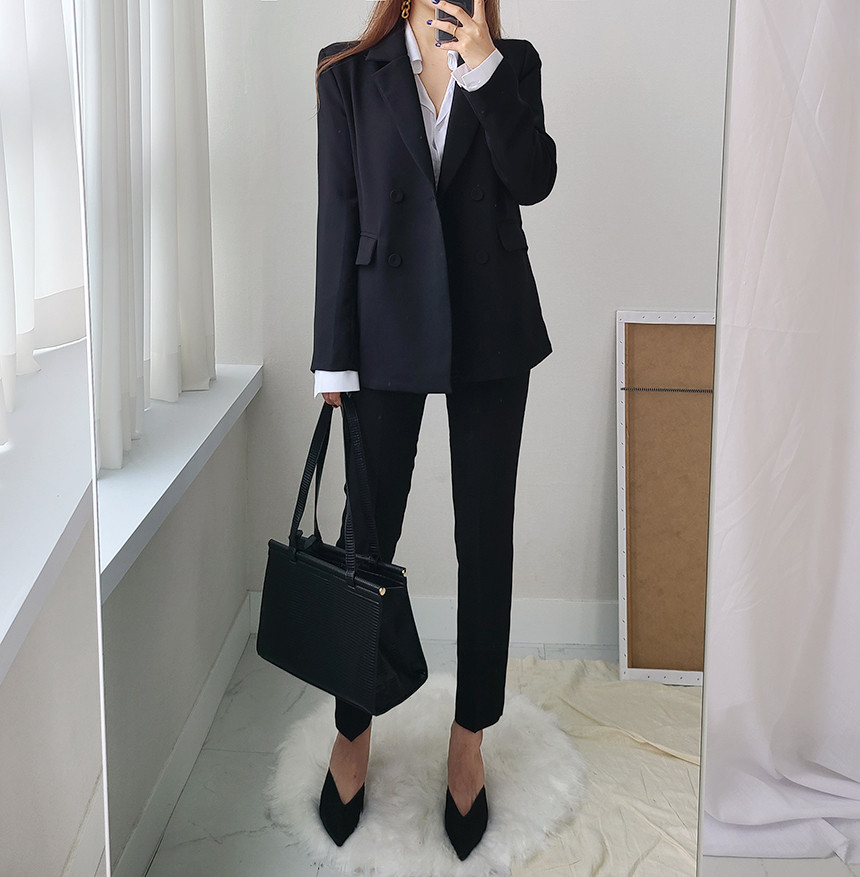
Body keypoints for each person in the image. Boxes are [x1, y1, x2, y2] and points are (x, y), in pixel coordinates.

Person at [311, 0, 556, 860]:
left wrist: (484, 68)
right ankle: (352, 732)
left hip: (491, 327)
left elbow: (534, 178)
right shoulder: (347, 71)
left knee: (484, 538)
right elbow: (339, 213)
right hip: (386, 326)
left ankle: (468, 737)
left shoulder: (513, 62)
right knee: (365, 538)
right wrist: (332, 358)